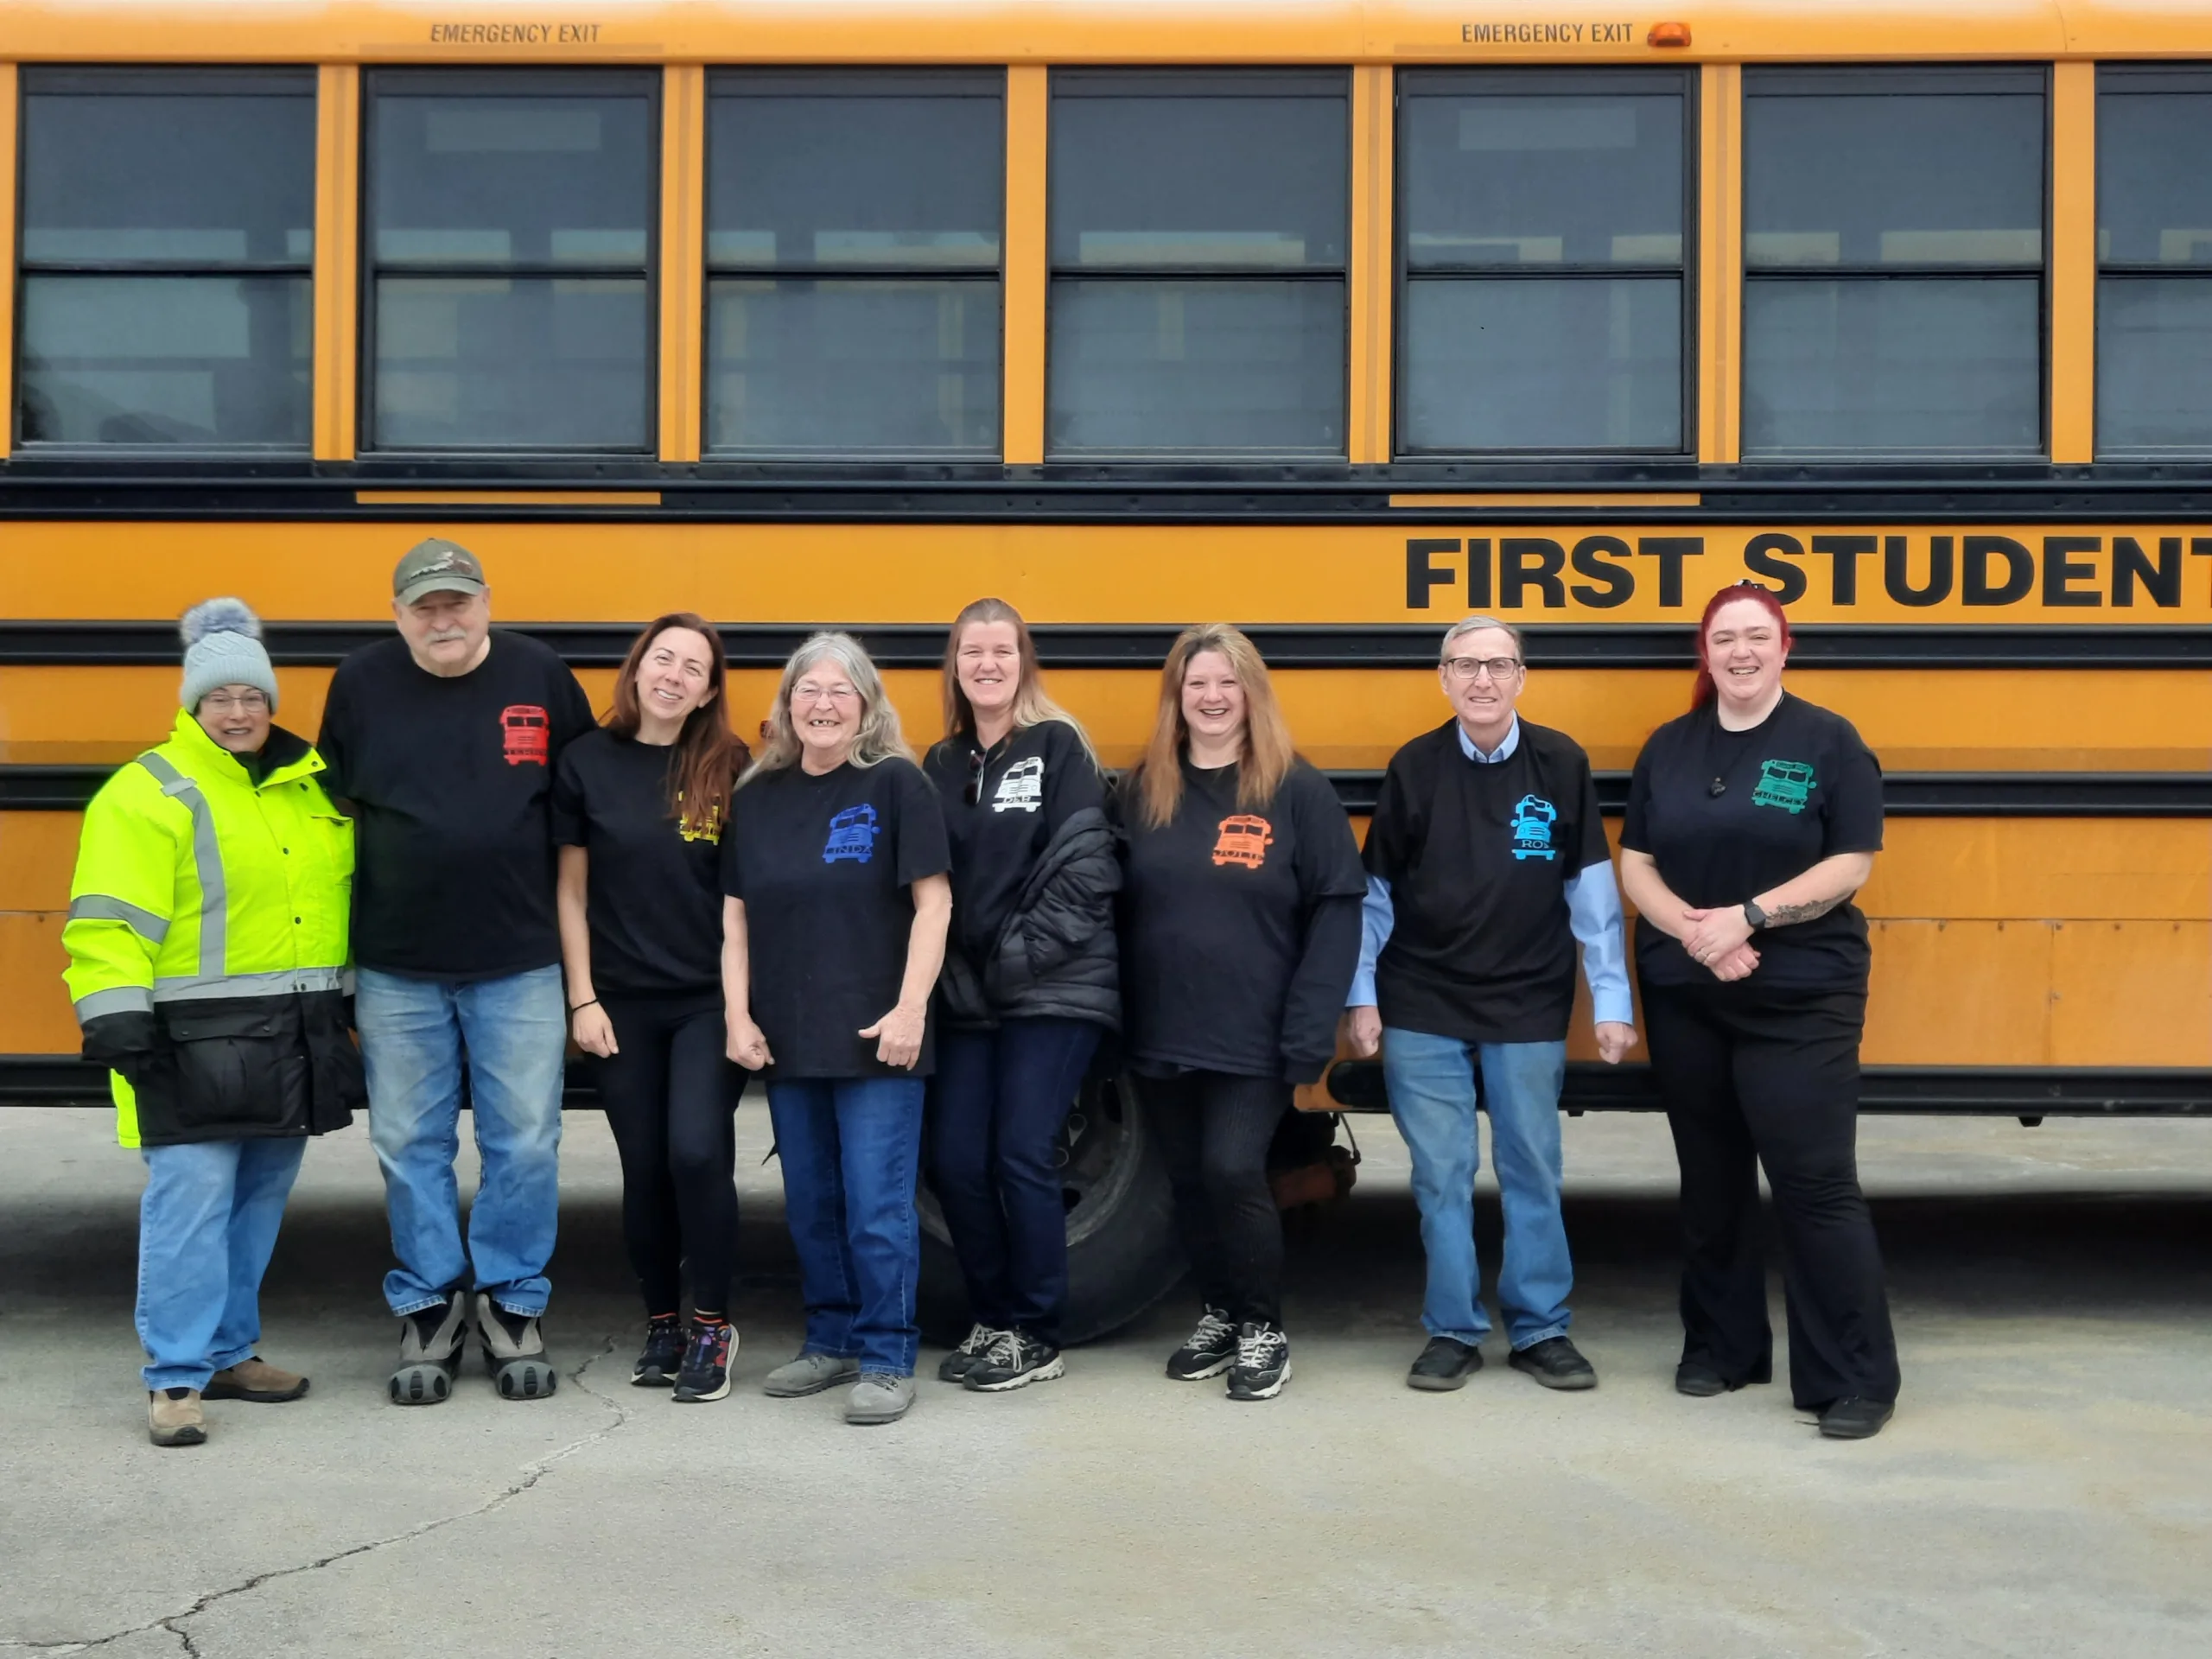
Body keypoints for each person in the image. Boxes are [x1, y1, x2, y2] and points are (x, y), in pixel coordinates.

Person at [63, 600, 364, 1446]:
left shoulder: (309, 790)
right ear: (193, 704)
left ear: (272, 701)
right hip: (187, 1042)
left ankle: (230, 1352)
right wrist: (116, 1016)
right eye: (219, 697)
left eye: (252, 696)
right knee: (191, 1206)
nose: (238, 712)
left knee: (257, 1204)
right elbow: (107, 919)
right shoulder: (148, 791)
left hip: (291, 1033)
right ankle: (175, 1377)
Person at [1618, 581, 1901, 1441]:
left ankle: (1853, 1377)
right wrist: (1695, 935)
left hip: (1799, 993)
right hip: (1687, 992)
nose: (1739, 652)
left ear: (1785, 647)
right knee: (1709, 1180)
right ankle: (1720, 1347)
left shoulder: (1827, 742)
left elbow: (1850, 864)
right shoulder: (1669, 745)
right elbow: (1636, 862)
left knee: (1813, 1183)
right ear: (1703, 654)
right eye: (1722, 639)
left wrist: (1747, 918)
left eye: (1755, 637)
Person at [317, 539, 594, 1406]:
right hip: (397, 962)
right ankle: (429, 1304)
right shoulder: (359, 684)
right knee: (408, 1143)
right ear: (397, 615)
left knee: (525, 1141)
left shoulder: (539, 674)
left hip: (518, 958)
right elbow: (333, 815)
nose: (443, 618)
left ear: (485, 602)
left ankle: (513, 1302)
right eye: (424, 606)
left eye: (456, 602)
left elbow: (583, 804)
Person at [1344, 615, 1636, 1394]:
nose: (1482, 680)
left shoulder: (1560, 763)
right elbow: (1375, 897)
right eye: (1465, 665)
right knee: (1441, 1174)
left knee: (1533, 1166)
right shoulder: (1415, 768)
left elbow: (1593, 895)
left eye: (1498, 665)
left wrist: (1611, 999)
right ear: (1442, 678)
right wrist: (1362, 994)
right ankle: (1452, 1330)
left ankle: (1542, 1328)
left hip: (1528, 1000)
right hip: (1423, 1000)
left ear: (1521, 677)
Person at [1116, 624, 1364, 1402]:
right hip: (1159, 1026)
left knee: (1232, 1168)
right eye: (1197, 684)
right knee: (1187, 1178)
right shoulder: (1143, 788)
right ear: (1176, 697)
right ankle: (1219, 1314)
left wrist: (1310, 1028)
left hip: (1254, 1029)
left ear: (1252, 695)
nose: (1213, 697)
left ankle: (1263, 1329)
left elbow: (1337, 907)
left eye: (1228, 683)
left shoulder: (1295, 788)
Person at [720, 632, 953, 1426]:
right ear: (787, 706)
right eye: (806, 691)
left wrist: (912, 1007)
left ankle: (887, 1356)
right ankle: (830, 1341)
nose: (821, 705)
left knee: (876, 1209)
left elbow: (935, 903)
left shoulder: (895, 785)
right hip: (789, 1039)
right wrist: (738, 1015)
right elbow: (737, 922)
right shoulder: (757, 797)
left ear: (866, 706)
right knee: (811, 1206)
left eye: (838, 691)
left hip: (878, 1039)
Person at [921, 599, 1120, 1394]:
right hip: (972, 996)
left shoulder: (1057, 747)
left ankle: (1037, 1331)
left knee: (1020, 1153)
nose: (988, 665)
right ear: (956, 665)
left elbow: (1086, 870)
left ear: (1023, 662)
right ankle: (996, 1315)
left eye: (1002, 651)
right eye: (973, 651)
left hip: (1053, 988)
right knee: (955, 1159)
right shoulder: (940, 762)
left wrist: (1007, 963)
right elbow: (929, 882)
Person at [555, 613, 750, 1403]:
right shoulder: (584, 764)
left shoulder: (729, 765)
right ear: (637, 669)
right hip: (621, 1005)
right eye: (661, 658)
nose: (673, 674)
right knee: (646, 1170)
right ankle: (662, 1323)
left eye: (692, 667)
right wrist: (583, 998)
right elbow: (570, 891)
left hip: (707, 999)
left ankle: (713, 1324)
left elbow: (742, 900)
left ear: (708, 690)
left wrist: (742, 1010)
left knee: (697, 1153)